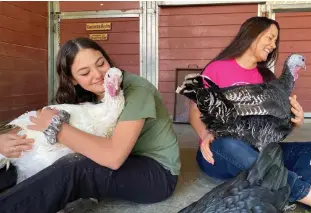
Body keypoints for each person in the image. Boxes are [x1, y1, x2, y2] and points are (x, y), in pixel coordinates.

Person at [0, 37, 180, 213]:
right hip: (116, 157)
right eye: (85, 73)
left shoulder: (135, 90)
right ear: (73, 80)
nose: (98, 75)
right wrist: (5, 144)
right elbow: (39, 123)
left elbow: (113, 157)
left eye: (101, 63)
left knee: (77, 166)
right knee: (27, 154)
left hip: (156, 173)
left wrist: (57, 127)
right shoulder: (86, 93)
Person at [189, 16, 311, 211]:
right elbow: (195, 110)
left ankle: (281, 183)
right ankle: (308, 195)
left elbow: (274, 129)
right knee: (231, 145)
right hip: (221, 152)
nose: (273, 45)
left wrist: (295, 120)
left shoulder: (267, 78)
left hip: (258, 151)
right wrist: (205, 134)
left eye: (275, 41)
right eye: (269, 38)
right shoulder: (217, 69)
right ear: (252, 35)